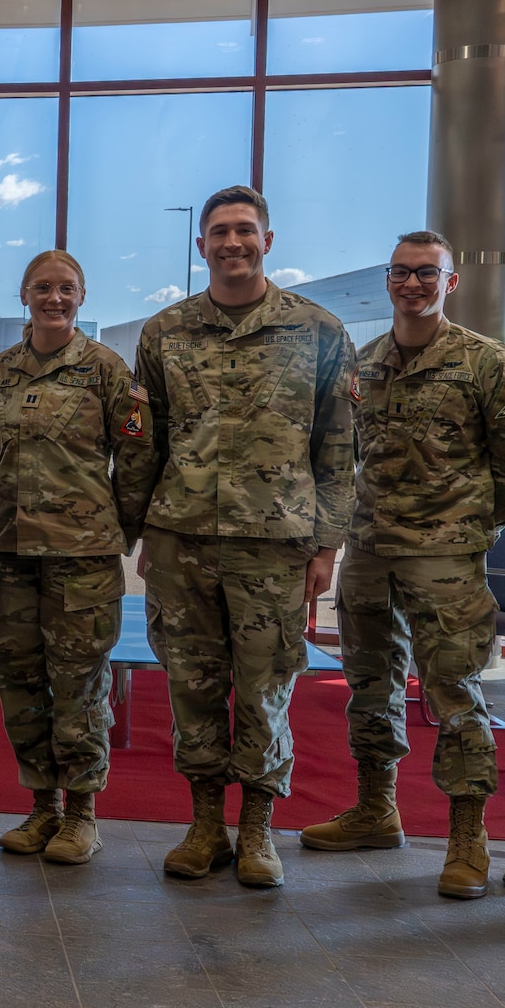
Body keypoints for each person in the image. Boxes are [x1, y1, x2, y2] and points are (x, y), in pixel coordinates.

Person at [298, 230, 505, 900]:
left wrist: (468, 525)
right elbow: (343, 456)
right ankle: (376, 810)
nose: (413, 283)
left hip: (445, 557)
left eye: (427, 273)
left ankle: (468, 837)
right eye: (402, 272)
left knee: (455, 691)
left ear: (450, 281)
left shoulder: (487, 363)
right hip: (370, 550)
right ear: (387, 280)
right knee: (369, 684)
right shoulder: (365, 363)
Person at [133, 184, 355, 890]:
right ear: (201, 244)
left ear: (267, 240)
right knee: (192, 686)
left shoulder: (318, 331)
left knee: (266, 688)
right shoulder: (164, 333)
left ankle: (257, 828)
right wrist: (139, 531)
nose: (233, 242)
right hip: (182, 539)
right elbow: (144, 443)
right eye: (220, 232)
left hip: (275, 544)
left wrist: (327, 546)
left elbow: (338, 447)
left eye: (245, 230)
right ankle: (205, 825)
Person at [0, 250, 155, 865]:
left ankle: (81, 813)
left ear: (82, 296)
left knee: (79, 685)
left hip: (83, 559)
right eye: (43, 287)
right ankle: (42, 807)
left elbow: (136, 460)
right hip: (11, 553)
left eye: (67, 288)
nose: (55, 298)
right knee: (21, 682)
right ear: (25, 295)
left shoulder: (107, 370)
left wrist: (116, 532)